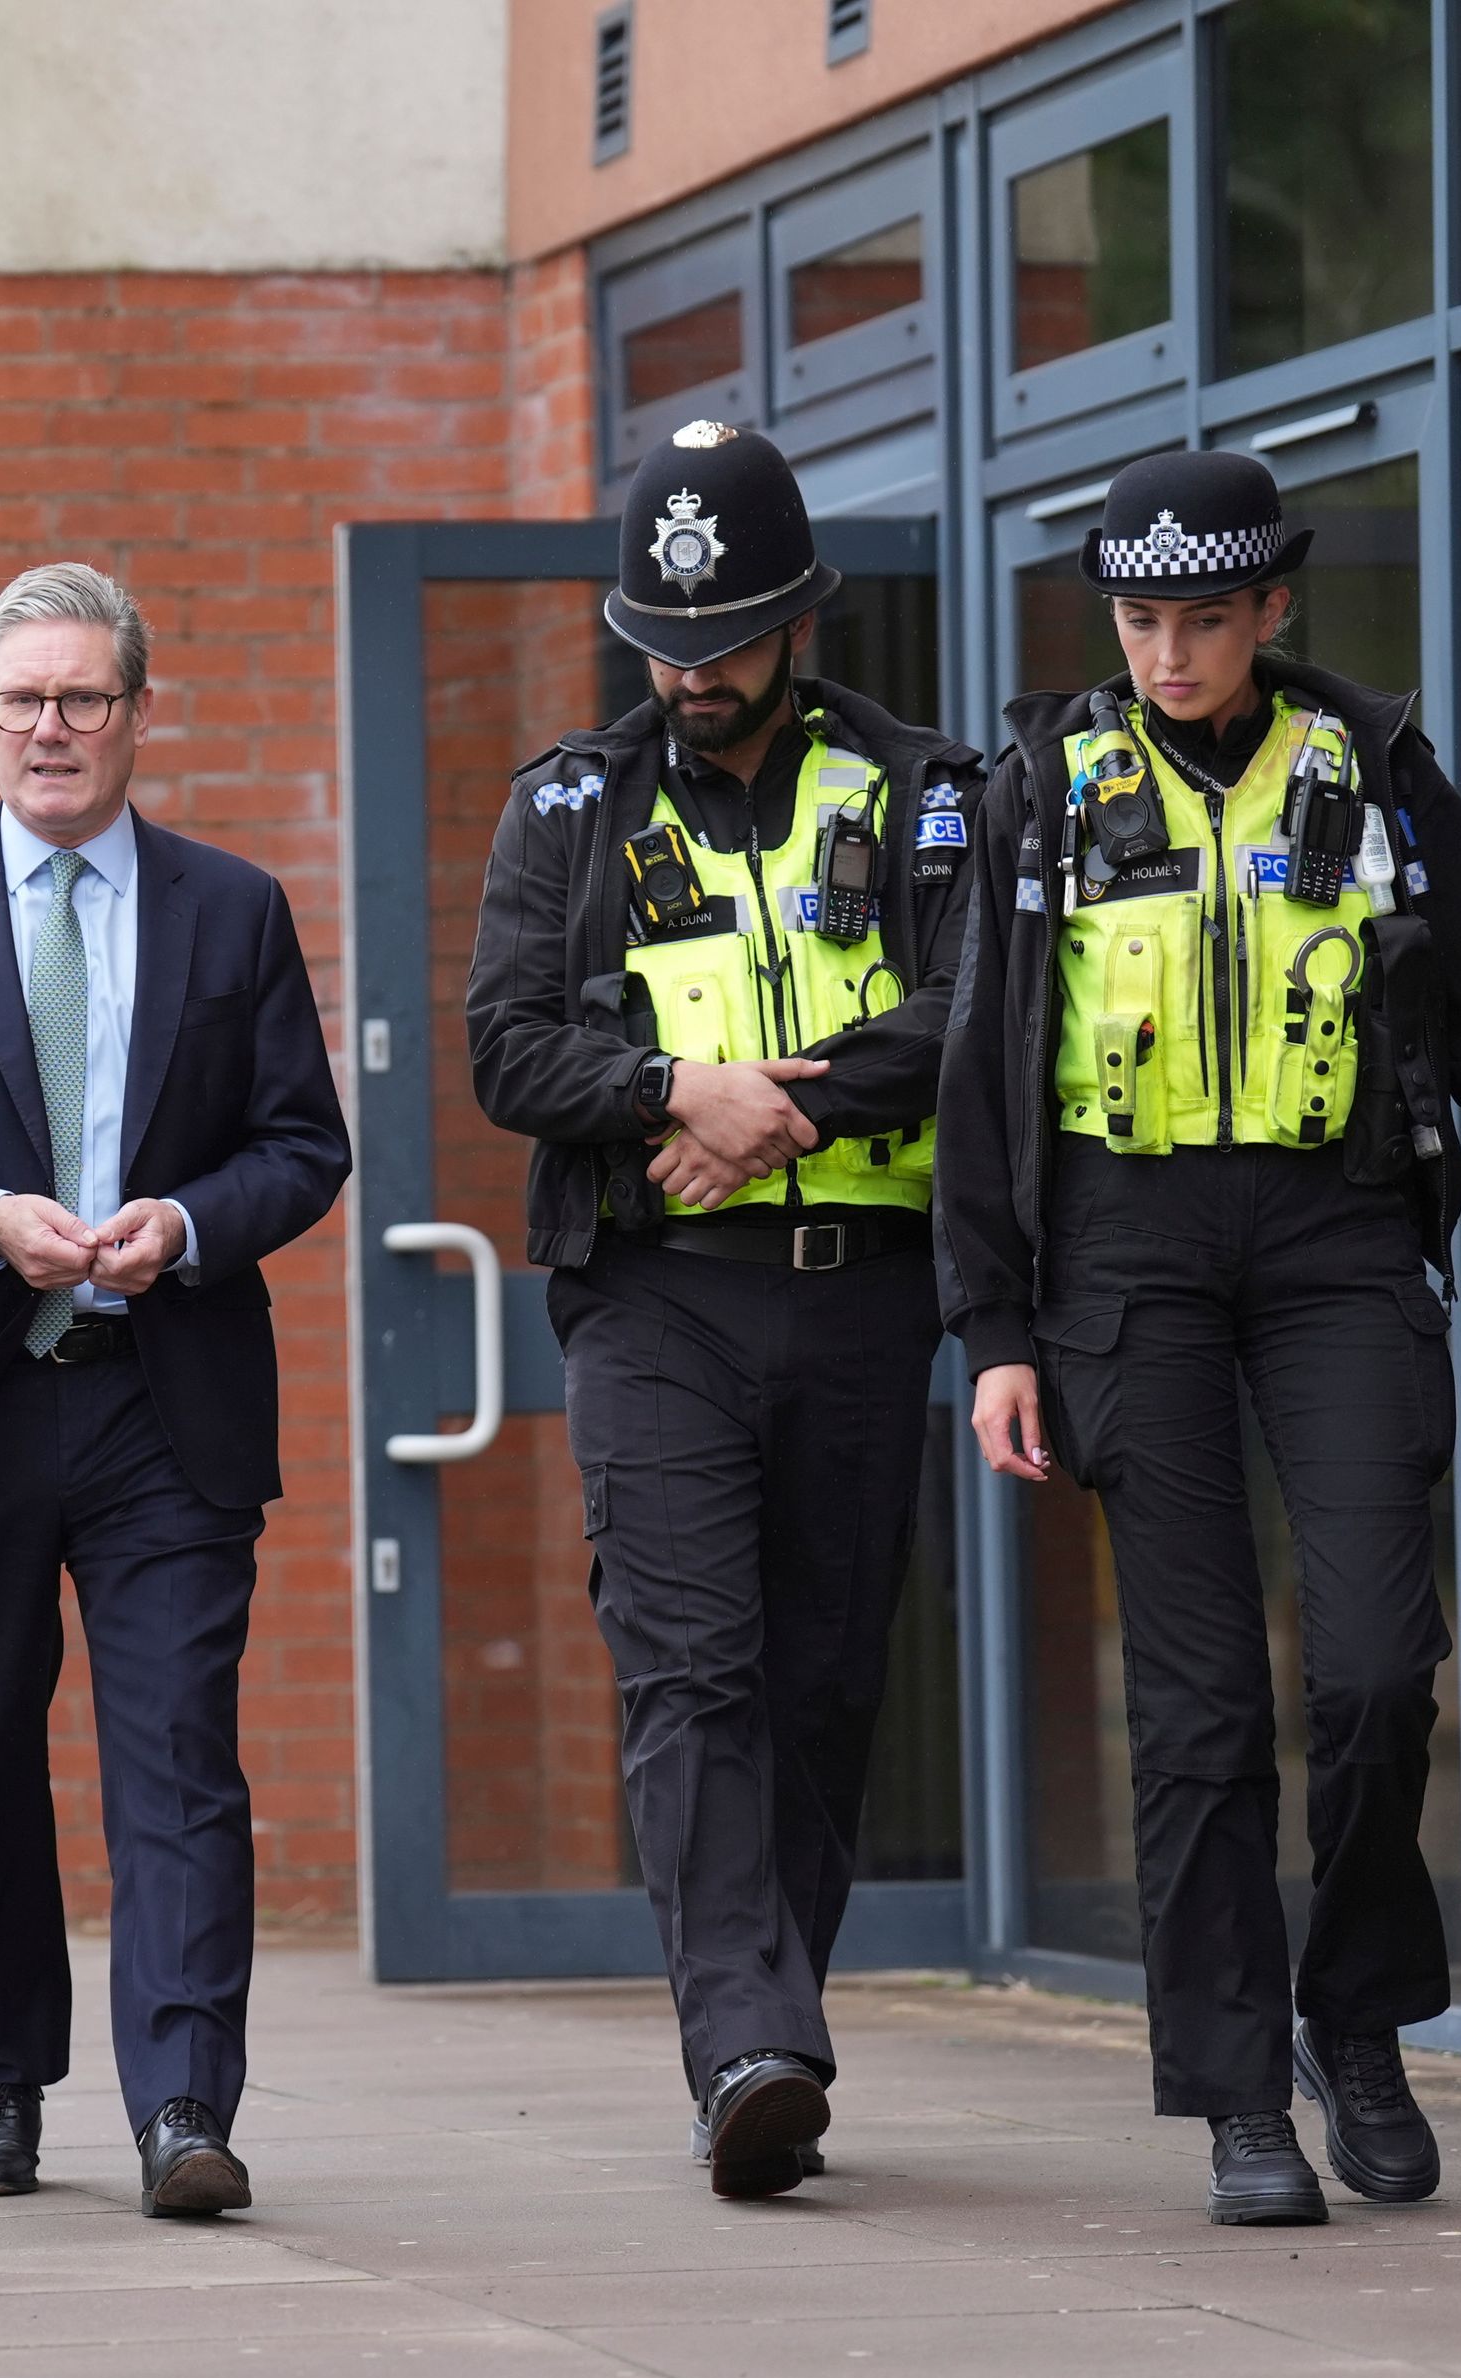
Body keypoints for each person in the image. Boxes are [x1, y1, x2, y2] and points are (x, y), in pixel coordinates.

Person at [938, 448, 1461, 2226]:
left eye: (1201, 621)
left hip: (1335, 1234)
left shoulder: (1368, 763)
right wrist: (993, 1323)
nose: (1166, 655)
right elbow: (987, 1071)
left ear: (1270, 609)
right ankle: (1236, 2095)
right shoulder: (1047, 787)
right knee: (1202, 1704)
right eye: (1139, 620)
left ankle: (1353, 2018)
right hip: (1127, 1254)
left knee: (1377, 1667)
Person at [467, 424, 984, 2199]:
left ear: (802, 621)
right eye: (663, 644)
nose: (691, 674)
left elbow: (974, 1011)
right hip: (657, 1304)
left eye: (728, 640)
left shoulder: (924, 791)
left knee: (825, 1685)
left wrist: (796, 1105)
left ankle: (772, 2017)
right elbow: (507, 1046)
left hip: (858, 1296)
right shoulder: (565, 807)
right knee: (692, 1674)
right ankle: (744, 2047)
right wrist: (674, 1088)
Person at [0, 565, 350, 2219]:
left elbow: (303, 1147)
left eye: (82, 698)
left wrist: (187, 1225)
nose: (51, 729)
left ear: (138, 711)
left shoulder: (232, 907)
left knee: (179, 1757)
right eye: (21, 702)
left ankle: (186, 2104)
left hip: (166, 1397)